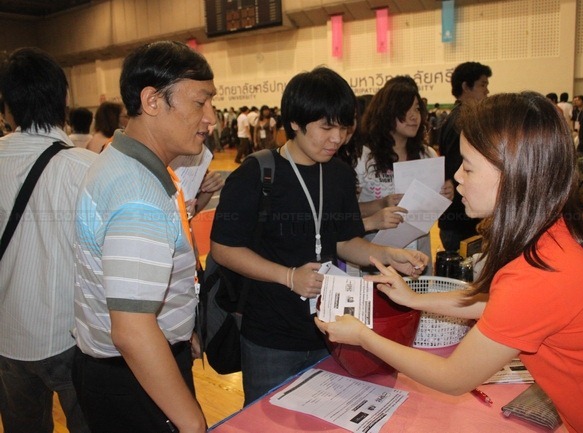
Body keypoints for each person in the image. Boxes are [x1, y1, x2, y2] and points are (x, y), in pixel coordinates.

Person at [316, 92, 583, 433]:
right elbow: (504, 305)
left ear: (514, 175)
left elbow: (453, 377)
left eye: (469, 167)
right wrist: (413, 298)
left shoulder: (544, 269)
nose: (458, 176)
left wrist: (362, 336)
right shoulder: (564, 230)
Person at [210, 66, 428, 406]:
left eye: (343, 127)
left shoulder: (339, 175)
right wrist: (288, 276)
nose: (336, 138)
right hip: (271, 337)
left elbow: (343, 242)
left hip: (333, 331)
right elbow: (223, 249)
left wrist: (388, 255)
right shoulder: (257, 174)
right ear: (296, 122)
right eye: (326, 126)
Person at [72, 40, 216, 433]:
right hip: (134, 379)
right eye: (200, 102)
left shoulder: (121, 162)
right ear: (152, 100)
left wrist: (179, 326)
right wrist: (191, 422)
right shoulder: (139, 196)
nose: (212, 118)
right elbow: (134, 332)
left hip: (119, 371)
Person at [0, 47, 95, 433]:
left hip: (7, 337)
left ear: (8, 107)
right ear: (64, 101)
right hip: (72, 335)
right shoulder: (86, 168)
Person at [355, 76, 453, 274]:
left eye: (417, 108)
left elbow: (431, 211)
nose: (414, 116)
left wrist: (444, 195)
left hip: (419, 256)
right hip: (375, 260)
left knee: (416, 303)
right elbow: (347, 212)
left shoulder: (427, 155)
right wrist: (379, 205)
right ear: (387, 112)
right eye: (405, 109)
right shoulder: (363, 159)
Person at [438, 61, 492, 252]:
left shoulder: (461, 118)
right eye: (482, 85)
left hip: (461, 218)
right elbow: (455, 169)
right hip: (459, 220)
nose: (487, 91)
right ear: (465, 86)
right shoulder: (460, 121)